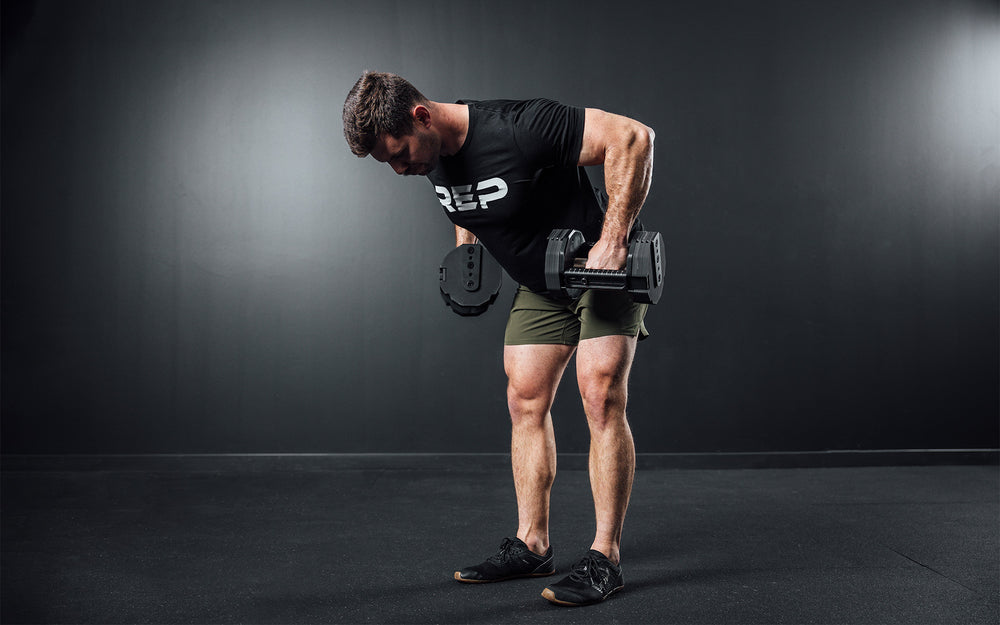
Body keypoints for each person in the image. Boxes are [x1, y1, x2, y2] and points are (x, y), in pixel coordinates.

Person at [342, 71, 654, 607]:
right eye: (388, 163)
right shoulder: (429, 150)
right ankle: (533, 544)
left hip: (596, 272)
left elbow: (632, 137)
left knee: (600, 396)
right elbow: (464, 197)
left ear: (421, 116)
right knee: (524, 399)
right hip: (539, 283)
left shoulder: (518, 127)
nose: (399, 170)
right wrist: (468, 248)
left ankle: (606, 557)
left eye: (398, 156)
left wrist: (614, 237)